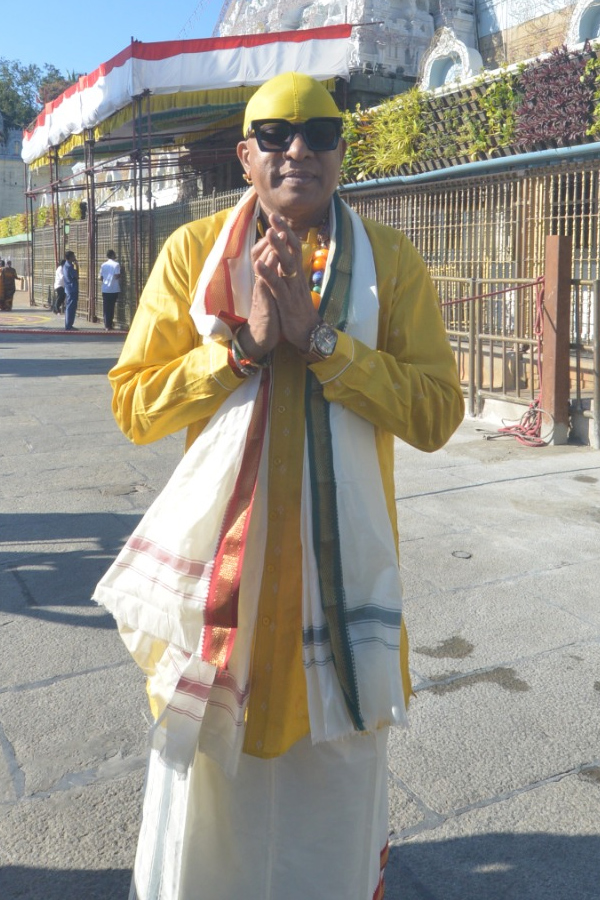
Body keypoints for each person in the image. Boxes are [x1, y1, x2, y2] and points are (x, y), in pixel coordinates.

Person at [95, 72, 464, 900]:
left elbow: (439, 412)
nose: (297, 149)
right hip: (223, 595)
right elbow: (133, 402)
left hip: (339, 604)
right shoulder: (194, 254)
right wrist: (242, 348)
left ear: (342, 153)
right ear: (245, 153)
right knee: (207, 812)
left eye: (319, 135)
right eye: (274, 134)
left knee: (328, 809)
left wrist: (323, 341)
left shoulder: (389, 261)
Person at [99, 249, 121, 330]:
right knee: (111, 307)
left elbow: (100, 277)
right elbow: (116, 276)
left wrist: (106, 280)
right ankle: (109, 324)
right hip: (114, 289)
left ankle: (106, 324)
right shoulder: (116, 265)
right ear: (112, 255)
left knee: (106, 307)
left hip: (105, 289)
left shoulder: (103, 265)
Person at [63, 250, 79, 330]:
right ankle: (69, 325)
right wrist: (77, 266)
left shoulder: (65, 265)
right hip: (72, 288)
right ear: (70, 257)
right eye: (73, 256)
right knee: (70, 307)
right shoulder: (70, 266)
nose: (75, 257)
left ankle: (68, 324)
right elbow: (76, 276)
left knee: (69, 306)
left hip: (68, 288)